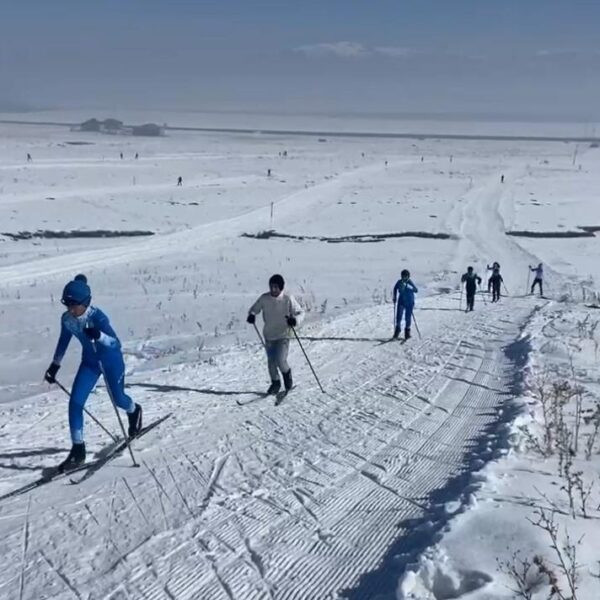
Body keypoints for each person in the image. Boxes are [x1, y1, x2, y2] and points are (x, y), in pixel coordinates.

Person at [44, 275, 142, 472]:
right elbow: (64, 341)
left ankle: (134, 410)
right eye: (67, 305)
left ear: (85, 302)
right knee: (75, 403)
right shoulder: (67, 320)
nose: (71, 309)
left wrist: (99, 335)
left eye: (74, 305)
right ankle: (78, 450)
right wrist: (55, 365)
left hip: (110, 362)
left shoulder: (98, 317)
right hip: (89, 363)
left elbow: (116, 344)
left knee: (119, 399)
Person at [247, 274, 304, 395]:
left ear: (281, 287)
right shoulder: (264, 298)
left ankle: (287, 375)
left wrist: (294, 320)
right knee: (271, 361)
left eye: (276, 287)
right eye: (271, 287)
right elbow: (254, 309)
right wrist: (252, 315)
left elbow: (300, 312)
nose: (273, 290)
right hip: (269, 336)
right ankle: (275, 383)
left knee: (280, 359)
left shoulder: (288, 299)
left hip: (284, 335)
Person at [393, 269, 418, 340]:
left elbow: (416, 290)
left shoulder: (409, 282)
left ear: (408, 277)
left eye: (406, 277)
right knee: (398, 317)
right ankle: (397, 330)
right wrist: (394, 297)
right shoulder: (399, 282)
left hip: (409, 302)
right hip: (401, 301)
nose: (404, 278)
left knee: (407, 317)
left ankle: (407, 332)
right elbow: (395, 288)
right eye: (403, 276)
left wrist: (407, 286)